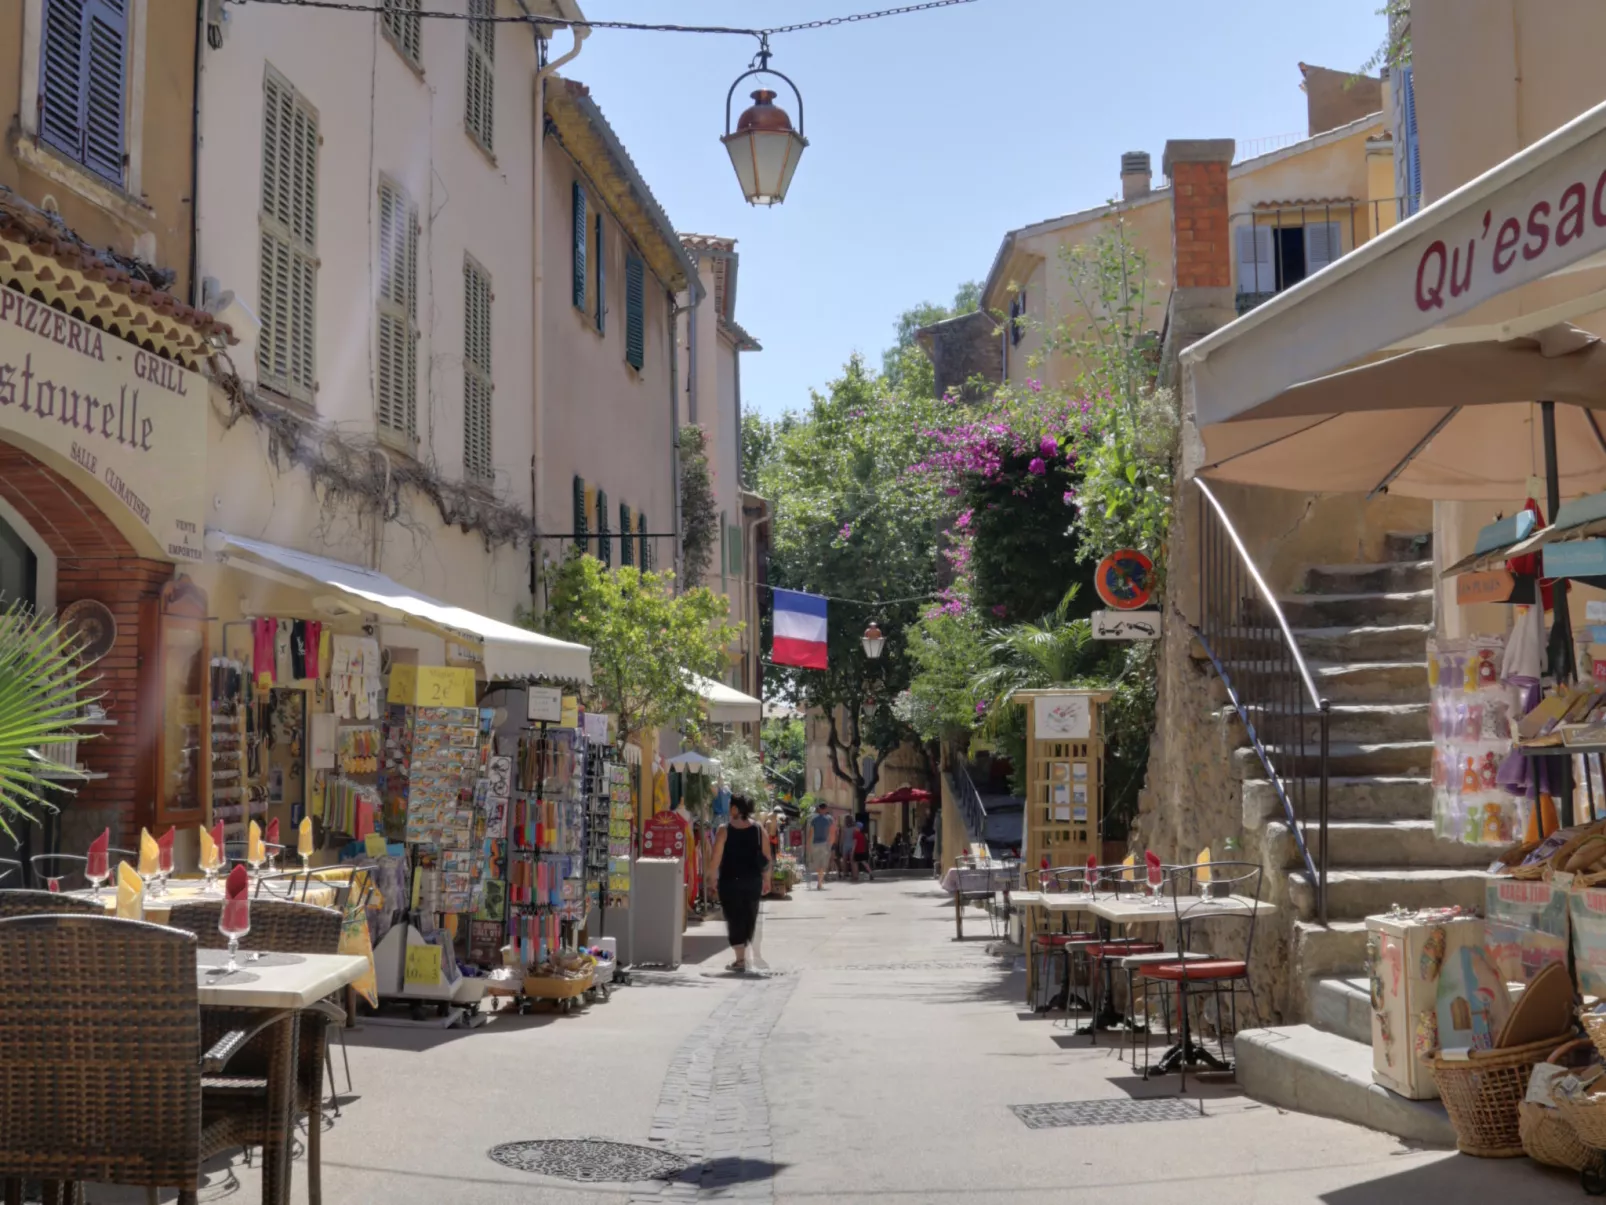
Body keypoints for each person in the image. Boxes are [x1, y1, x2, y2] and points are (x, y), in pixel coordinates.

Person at [711, 795, 770, 973]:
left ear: (735, 809)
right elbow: (767, 857)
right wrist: (767, 879)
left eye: (731, 807)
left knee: (734, 916)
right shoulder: (759, 829)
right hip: (753, 881)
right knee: (749, 914)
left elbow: (716, 857)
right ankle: (746, 953)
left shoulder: (724, 829)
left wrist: (711, 877)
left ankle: (740, 959)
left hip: (730, 881)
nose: (729, 810)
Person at [805, 801, 835, 890]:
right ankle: (820, 882)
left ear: (819, 809)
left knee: (817, 864)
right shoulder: (829, 819)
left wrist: (808, 845)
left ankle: (820, 881)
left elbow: (810, 834)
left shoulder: (814, 820)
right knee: (823, 864)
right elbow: (832, 832)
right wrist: (831, 843)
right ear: (825, 809)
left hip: (815, 844)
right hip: (825, 844)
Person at [839, 814, 859, 883]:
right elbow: (856, 837)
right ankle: (855, 876)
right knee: (853, 861)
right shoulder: (855, 828)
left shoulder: (843, 828)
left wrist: (840, 846)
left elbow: (842, 838)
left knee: (844, 860)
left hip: (845, 845)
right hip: (853, 845)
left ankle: (845, 874)